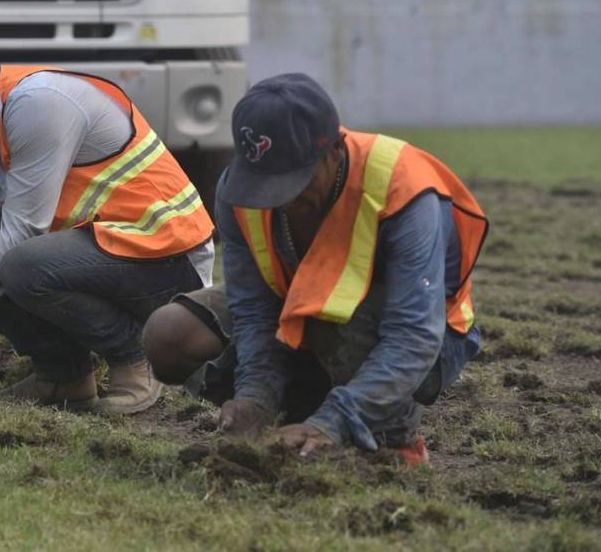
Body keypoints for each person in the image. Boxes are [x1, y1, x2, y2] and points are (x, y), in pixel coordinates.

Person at [142, 74, 488, 464]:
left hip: (424, 339)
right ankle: (296, 416)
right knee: (171, 334)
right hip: (301, 317)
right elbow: (253, 309)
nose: (280, 203)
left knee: (327, 307)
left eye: (293, 185)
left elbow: (415, 335)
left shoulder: (404, 190)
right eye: (264, 186)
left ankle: (393, 439)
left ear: (335, 152)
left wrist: (335, 421)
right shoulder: (236, 192)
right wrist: (257, 397)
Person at [0, 55, 215, 414]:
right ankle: (63, 376)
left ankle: (135, 356)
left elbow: (23, 232)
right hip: (107, 256)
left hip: (166, 259)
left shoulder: (36, 104)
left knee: (22, 263)